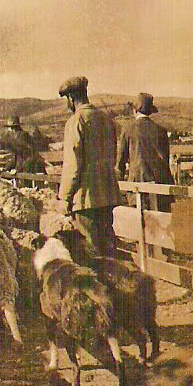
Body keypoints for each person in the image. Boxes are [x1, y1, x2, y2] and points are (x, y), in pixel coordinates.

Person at [56, 76, 122, 260]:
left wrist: (64, 198)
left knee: (91, 255)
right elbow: (112, 156)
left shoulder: (76, 121)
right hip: (107, 195)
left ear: (70, 98)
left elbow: (73, 166)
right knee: (109, 251)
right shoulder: (106, 119)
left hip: (85, 199)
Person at [116, 92, 175, 212]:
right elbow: (165, 161)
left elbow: (120, 163)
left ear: (135, 111)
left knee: (140, 226)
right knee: (162, 227)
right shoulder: (161, 131)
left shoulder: (128, 130)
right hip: (161, 189)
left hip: (138, 187)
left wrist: (118, 185)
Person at [3, 116, 47, 187]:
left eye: (12, 127)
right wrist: (6, 168)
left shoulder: (23, 136)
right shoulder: (13, 137)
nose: (10, 129)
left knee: (27, 186)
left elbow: (30, 154)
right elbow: (16, 155)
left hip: (30, 165)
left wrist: (18, 169)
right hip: (22, 166)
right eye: (9, 127)